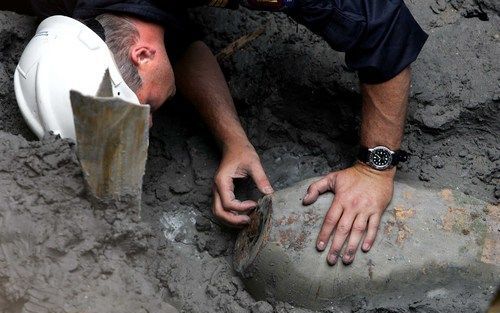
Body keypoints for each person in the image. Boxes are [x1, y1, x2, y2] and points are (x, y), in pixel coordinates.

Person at [15, 0, 427, 266]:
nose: (150, 125)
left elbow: (385, 26)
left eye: (144, 110)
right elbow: (171, 41)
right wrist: (234, 140)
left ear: (141, 54)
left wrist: (376, 168)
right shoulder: (69, 11)